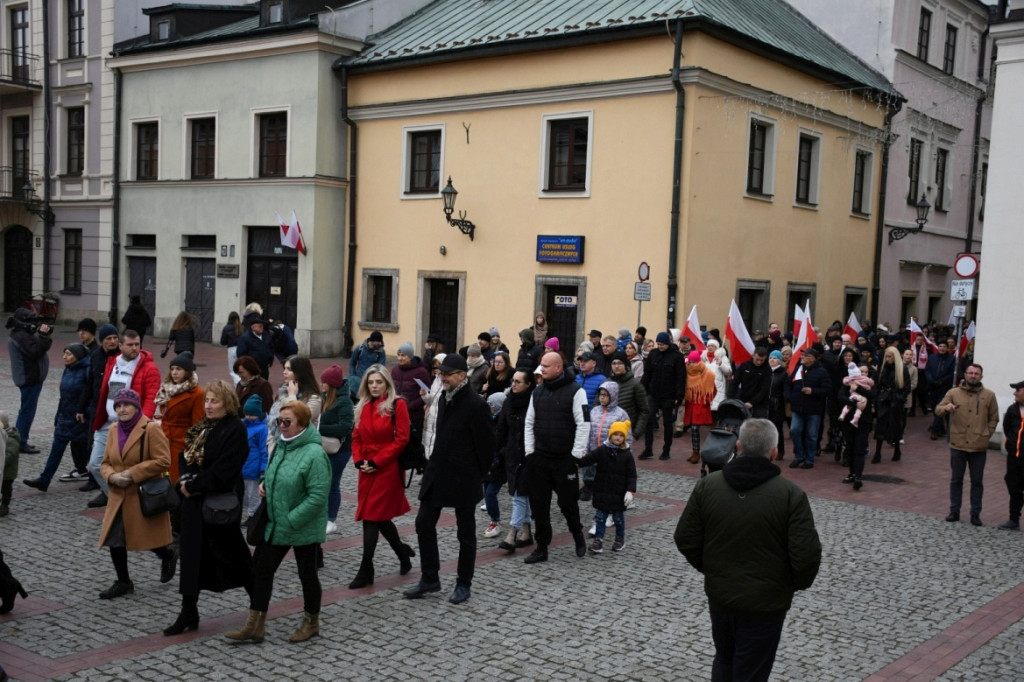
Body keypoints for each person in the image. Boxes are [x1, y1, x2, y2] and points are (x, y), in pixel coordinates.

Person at [674, 419, 821, 681]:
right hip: (766, 604)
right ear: (774, 451)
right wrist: (786, 585)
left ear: (738, 446)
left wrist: (712, 568)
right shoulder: (791, 495)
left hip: (722, 596)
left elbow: (686, 538)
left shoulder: (708, 486)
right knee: (751, 670)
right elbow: (806, 556)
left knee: (725, 658)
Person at [226, 401, 330, 644]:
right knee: (260, 570)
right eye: (278, 421)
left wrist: (292, 519)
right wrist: (265, 484)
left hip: (301, 525)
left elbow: (317, 496)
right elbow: (271, 471)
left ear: (303, 424)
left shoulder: (315, 454)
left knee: (307, 574)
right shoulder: (282, 446)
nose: (281, 426)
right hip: (275, 521)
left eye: (287, 422)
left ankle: (311, 622)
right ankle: (255, 624)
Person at [404, 354, 495, 604]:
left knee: (465, 533)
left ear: (461, 376)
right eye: (440, 373)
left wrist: (477, 474)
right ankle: (430, 578)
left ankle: (464, 583)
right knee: (423, 523)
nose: (442, 377)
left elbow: (487, 447)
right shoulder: (444, 397)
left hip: (464, 476)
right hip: (438, 471)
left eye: (447, 374)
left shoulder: (476, 404)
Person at [166, 380, 253, 636]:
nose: (209, 405)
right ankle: (188, 611)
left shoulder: (234, 429)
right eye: (207, 401)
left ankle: (258, 601)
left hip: (219, 503)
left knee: (235, 555)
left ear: (227, 403)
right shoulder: (201, 428)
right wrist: (185, 480)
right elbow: (185, 457)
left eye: (214, 401)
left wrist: (196, 484)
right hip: (193, 503)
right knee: (191, 557)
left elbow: (226, 468)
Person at [95, 389, 178, 601]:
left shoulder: (150, 429)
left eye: (126, 405)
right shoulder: (113, 429)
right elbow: (105, 462)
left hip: (141, 494)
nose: (122, 409)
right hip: (118, 494)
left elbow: (163, 461)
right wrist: (112, 476)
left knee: (146, 538)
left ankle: (167, 554)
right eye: (118, 406)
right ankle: (123, 581)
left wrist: (131, 474)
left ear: (136, 407)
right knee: (115, 538)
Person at [349, 365, 415, 589]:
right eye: (371, 382)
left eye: (378, 382)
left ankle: (366, 568)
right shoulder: (363, 406)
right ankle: (402, 553)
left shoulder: (398, 405)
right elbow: (356, 436)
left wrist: (378, 462)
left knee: (371, 517)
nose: (374, 386)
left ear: (387, 383)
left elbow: (402, 440)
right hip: (366, 468)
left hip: (387, 468)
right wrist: (359, 461)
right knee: (379, 518)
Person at [522, 351, 589, 563]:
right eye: (541, 365)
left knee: (568, 503)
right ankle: (542, 547)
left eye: (546, 366)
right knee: (539, 504)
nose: (541, 368)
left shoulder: (576, 391)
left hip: (564, 460)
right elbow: (529, 423)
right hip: (540, 459)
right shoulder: (537, 392)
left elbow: (584, 423)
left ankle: (577, 535)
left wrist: (576, 455)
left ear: (558, 368)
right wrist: (530, 452)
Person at [87, 330, 161, 509]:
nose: (135, 348)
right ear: (120, 346)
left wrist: (142, 423)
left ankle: (126, 503)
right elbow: (105, 391)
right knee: (95, 465)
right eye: (130, 344)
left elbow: (152, 398)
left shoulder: (148, 367)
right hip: (107, 422)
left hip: (130, 425)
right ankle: (115, 496)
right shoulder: (113, 362)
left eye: (137, 344)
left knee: (124, 467)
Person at [22, 344, 92, 492]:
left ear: (77, 356)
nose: (64, 357)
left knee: (87, 452)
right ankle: (44, 480)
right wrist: (58, 415)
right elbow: (63, 397)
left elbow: (90, 395)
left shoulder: (87, 370)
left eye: (68, 354)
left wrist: (85, 413)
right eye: (64, 353)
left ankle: (97, 479)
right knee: (56, 450)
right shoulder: (68, 369)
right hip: (65, 417)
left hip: (80, 419)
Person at [934, 364, 998, 526]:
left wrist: (986, 434)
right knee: (956, 480)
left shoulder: (989, 395)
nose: (973, 376)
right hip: (958, 444)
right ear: (965, 374)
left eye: (976, 373)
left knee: (977, 482)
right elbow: (937, 409)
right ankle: (954, 510)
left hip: (978, 446)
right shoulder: (953, 393)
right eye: (970, 373)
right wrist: (946, 408)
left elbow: (993, 418)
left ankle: (975, 513)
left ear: (981, 376)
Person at [577, 420, 637, 553]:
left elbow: (632, 475)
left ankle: (619, 539)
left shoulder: (627, 455)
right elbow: (589, 459)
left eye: (621, 435)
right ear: (610, 435)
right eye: (615, 434)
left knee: (618, 518)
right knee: (600, 518)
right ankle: (598, 540)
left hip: (618, 493)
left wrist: (630, 491)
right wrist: (577, 461)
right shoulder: (602, 450)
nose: (618, 438)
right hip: (602, 491)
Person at [494, 369, 535, 552]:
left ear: (528, 384)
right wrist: (500, 450)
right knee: (521, 494)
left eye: (518, 382)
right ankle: (526, 533)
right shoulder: (509, 401)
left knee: (519, 495)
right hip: (511, 454)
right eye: (513, 381)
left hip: (528, 455)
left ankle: (512, 534)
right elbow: (501, 428)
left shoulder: (534, 403)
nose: (514, 384)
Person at [6, 307, 53, 454]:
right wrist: (44, 337)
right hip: (29, 379)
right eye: (31, 321)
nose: (34, 324)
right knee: (26, 411)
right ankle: (20, 442)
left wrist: (42, 337)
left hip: (30, 378)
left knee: (26, 410)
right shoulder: (21, 336)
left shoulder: (23, 334)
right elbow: (35, 351)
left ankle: (22, 439)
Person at [153, 353, 205, 482]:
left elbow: (198, 423)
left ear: (187, 372)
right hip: (164, 439)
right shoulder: (167, 389)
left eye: (179, 369)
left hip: (180, 441)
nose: (174, 372)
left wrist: (191, 447)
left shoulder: (197, 393)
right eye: (172, 369)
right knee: (162, 478)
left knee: (176, 478)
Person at [319, 364, 354, 535]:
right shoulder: (325, 397)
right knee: (325, 481)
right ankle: (323, 515)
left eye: (324, 382)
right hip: (327, 447)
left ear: (331, 384)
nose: (322, 384)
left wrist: (320, 429)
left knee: (333, 483)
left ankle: (331, 519)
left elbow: (346, 427)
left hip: (341, 450)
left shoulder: (344, 401)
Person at [640, 331, 686, 461]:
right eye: (658, 344)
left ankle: (666, 449)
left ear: (668, 343)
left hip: (668, 395)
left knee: (667, 423)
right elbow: (647, 373)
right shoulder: (653, 354)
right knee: (648, 420)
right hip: (653, 393)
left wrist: (679, 395)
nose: (660, 346)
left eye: (662, 344)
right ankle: (648, 449)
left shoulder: (676, 356)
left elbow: (680, 378)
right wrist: (642, 389)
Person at [786, 348, 831, 469]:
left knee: (811, 435)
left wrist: (813, 391)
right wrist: (790, 397)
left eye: (805, 356)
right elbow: (788, 383)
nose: (802, 357)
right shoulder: (798, 370)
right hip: (798, 408)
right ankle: (799, 456)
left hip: (813, 409)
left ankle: (809, 459)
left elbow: (827, 389)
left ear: (812, 358)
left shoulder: (822, 372)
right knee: (795, 430)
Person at [267, 356, 323, 448]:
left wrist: (292, 396)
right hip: (278, 446)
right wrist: (271, 448)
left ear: (300, 372)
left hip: (301, 447)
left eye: (289, 369)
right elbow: (273, 424)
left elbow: (300, 419)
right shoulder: (283, 393)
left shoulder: (314, 398)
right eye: (284, 368)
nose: (284, 372)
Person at [838, 362, 876, 491]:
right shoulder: (847, 382)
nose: (863, 374)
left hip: (864, 420)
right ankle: (852, 473)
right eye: (861, 371)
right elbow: (841, 397)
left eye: (866, 372)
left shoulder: (869, 385)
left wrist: (858, 389)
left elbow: (872, 396)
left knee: (859, 448)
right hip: (848, 419)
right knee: (850, 446)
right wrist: (853, 403)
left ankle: (858, 477)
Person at [872, 346, 911, 463]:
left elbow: (907, 387)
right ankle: (877, 452)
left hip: (895, 401)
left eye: (889, 356)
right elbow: (877, 384)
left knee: (896, 426)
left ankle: (897, 450)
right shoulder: (882, 368)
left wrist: (900, 398)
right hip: (883, 401)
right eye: (886, 356)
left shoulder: (902, 369)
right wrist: (878, 397)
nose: (887, 358)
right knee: (880, 426)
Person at [391, 342, 431, 449]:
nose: (400, 358)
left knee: (413, 446)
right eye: (398, 355)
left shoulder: (421, 372)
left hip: (414, 416)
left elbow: (427, 394)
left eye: (403, 355)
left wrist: (409, 407)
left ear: (410, 357)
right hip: (396, 415)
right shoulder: (395, 370)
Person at [998, 380, 1024, 530]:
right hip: (1014, 457)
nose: (1014, 393)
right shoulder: (1013, 410)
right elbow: (1007, 429)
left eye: (1018, 390)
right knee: (1014, 486)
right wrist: (1012, 444)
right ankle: (1013, 519)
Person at [683, 350, 716, 464]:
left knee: (695, 428)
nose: (691, 364)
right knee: (693, 429)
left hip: (701, 404)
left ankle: (697, 453)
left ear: (698, 361)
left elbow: (713, 390)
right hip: (690, 404)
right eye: (690, 362)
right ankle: (695, 452)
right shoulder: (686, 372)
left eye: (693, 362)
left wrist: (706, 400)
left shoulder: (707, 373)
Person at [241, 395, 269, 520]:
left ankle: (253, 516)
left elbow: (264, 451)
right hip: (243, 467)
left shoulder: (262, 429)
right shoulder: (243, 425)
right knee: (244, 494)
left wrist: (263, 469)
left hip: (254, 468)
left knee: (253, 495)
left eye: (251, 415)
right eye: (246, 414)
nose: (248, 417)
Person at [925, 341, 957, 439]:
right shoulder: (932, 358)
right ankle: (941, 428)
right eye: (940, 346)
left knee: (940, 406)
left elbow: (952, 373)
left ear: (947, 348)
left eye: (944, 346)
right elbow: (928, 370)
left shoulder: (952, 359)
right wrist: (931, 380)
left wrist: (941, 381)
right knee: (935, 407)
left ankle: (934, 430)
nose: (942, 348)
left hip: (944, 388)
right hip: (933, 387)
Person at [728, 347, 771, 418]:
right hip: (743, 401)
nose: (759, 362)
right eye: (757, 359)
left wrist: (752, 402)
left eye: (762, 360)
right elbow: (735, 382)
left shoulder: (767, 370)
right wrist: (731, 397)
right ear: (753, 355)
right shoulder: (744, 366)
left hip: (760, 404)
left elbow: (765, 389)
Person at [421, 353, 446, 463]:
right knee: (429, 443)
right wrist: (424, 395)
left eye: (438, 365)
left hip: (440, 417)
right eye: (434, 365)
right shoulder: (436, 380)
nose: (435, 368)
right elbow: (431, 400)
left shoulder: (447, 381)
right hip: (431, 417)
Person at [766, 350, 788, 461]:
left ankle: (780, 450)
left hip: (777, 405)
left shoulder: (783, 374)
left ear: (779, 360)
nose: (772, 360)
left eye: (774, 358)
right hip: (766, 405)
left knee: (777, 429)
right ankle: (768, 451)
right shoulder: (766, 372)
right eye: (770, 358)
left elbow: (785, 391)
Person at [0, 412, 20, 517]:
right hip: (2, 471)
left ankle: (5, 506)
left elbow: (9, 456)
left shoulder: (11, 439)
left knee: (6, 489)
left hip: (8, 473)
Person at [221, 311, 243, 385]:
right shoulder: (242, 327)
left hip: (232, 349)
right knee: (242, 367)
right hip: (241, 348)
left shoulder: (227, 328)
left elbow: (223, 342)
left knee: (233, 371)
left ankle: (238, 385)